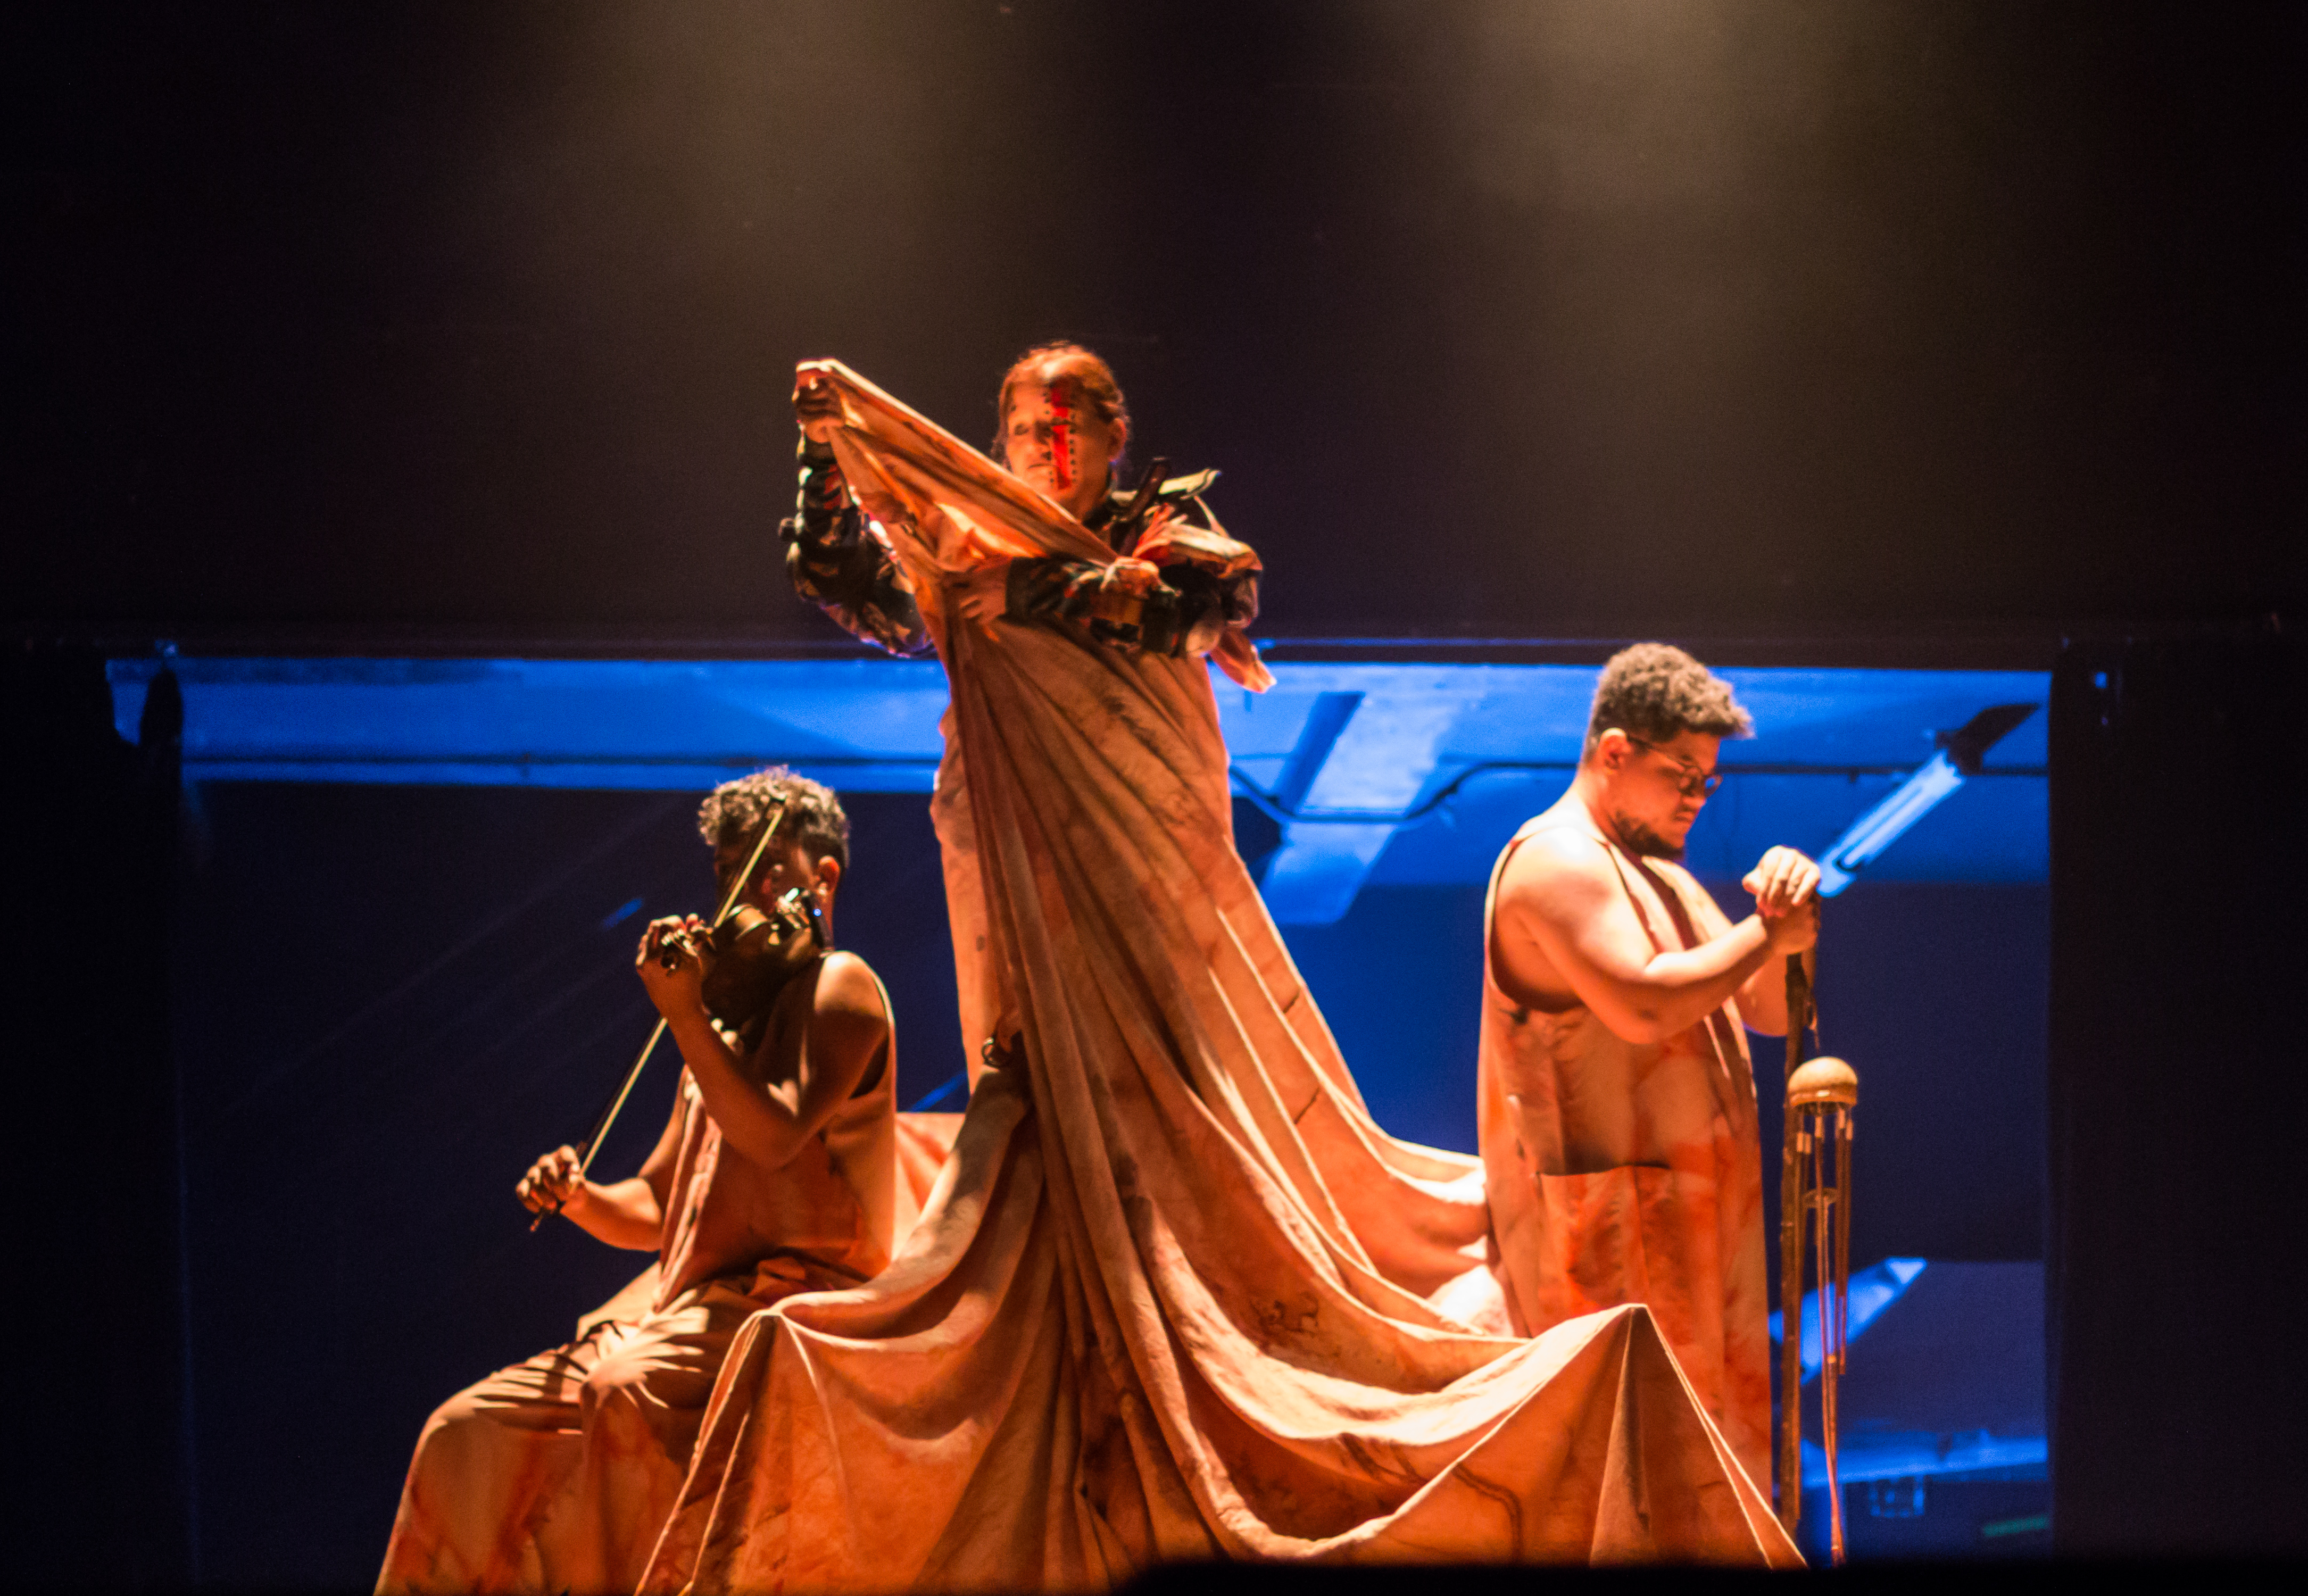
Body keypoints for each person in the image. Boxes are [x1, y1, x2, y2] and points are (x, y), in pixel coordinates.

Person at [630, 353, 1795, 1593]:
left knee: (1194, 1182)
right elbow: (849, 582)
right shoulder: (963, 556)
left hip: (1148, 913)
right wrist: (826, 452)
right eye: (1024, 427)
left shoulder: (1157, 531)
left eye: (1072, 424)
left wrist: (1032, 586)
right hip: (1026, 905)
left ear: (1117, 434)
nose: (1048, 448)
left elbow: (1197, 600)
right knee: (1021, 1181)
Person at [376, 769, 899, 1595]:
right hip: (684, 1318)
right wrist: (581, 1198)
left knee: (625, 1393)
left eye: (767, 870)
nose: (744, 892)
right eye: (729, 872)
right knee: (465, 1430)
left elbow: (773, 1136)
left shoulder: (842, 985)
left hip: (792, 1309)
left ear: (823, 876)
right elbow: (661, 1204)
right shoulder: (720, 1028)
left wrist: (686, 1016)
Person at [1476, 642, 1820, 1492]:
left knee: (1703, 1492)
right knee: (1621, 1493)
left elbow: (1772, 1013)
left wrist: (1785, 921)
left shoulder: (1662, 878)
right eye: (1683, 776)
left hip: (1693, 1245)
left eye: (1709, 782)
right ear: (1615, 752)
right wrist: (1765, 934)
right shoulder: (1556, 858)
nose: (1697, 799)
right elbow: (1643, 1005)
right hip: (1606, 1259)